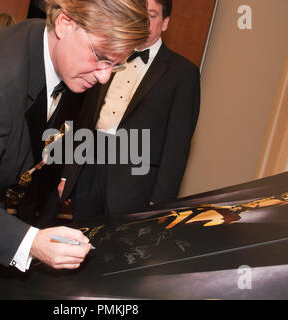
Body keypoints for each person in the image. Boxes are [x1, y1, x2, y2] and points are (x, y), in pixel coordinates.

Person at [0, 0, 150, 299]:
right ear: (64, 23)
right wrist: (31, 242)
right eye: (100, 57)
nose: (104, 76)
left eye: (116, 64)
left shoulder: (53, 46)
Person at [58, 0, 201, 222]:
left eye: (152, 16)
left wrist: (161, 202)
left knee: (118, 251)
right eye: (140, 15)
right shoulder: (106, 51)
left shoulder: (183, 73)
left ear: (165, 23)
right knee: (79, 240)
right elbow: (84, 117)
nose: (143, 22)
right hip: (88, 168)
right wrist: (68, 174)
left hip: (135, 182)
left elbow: (178, 145)